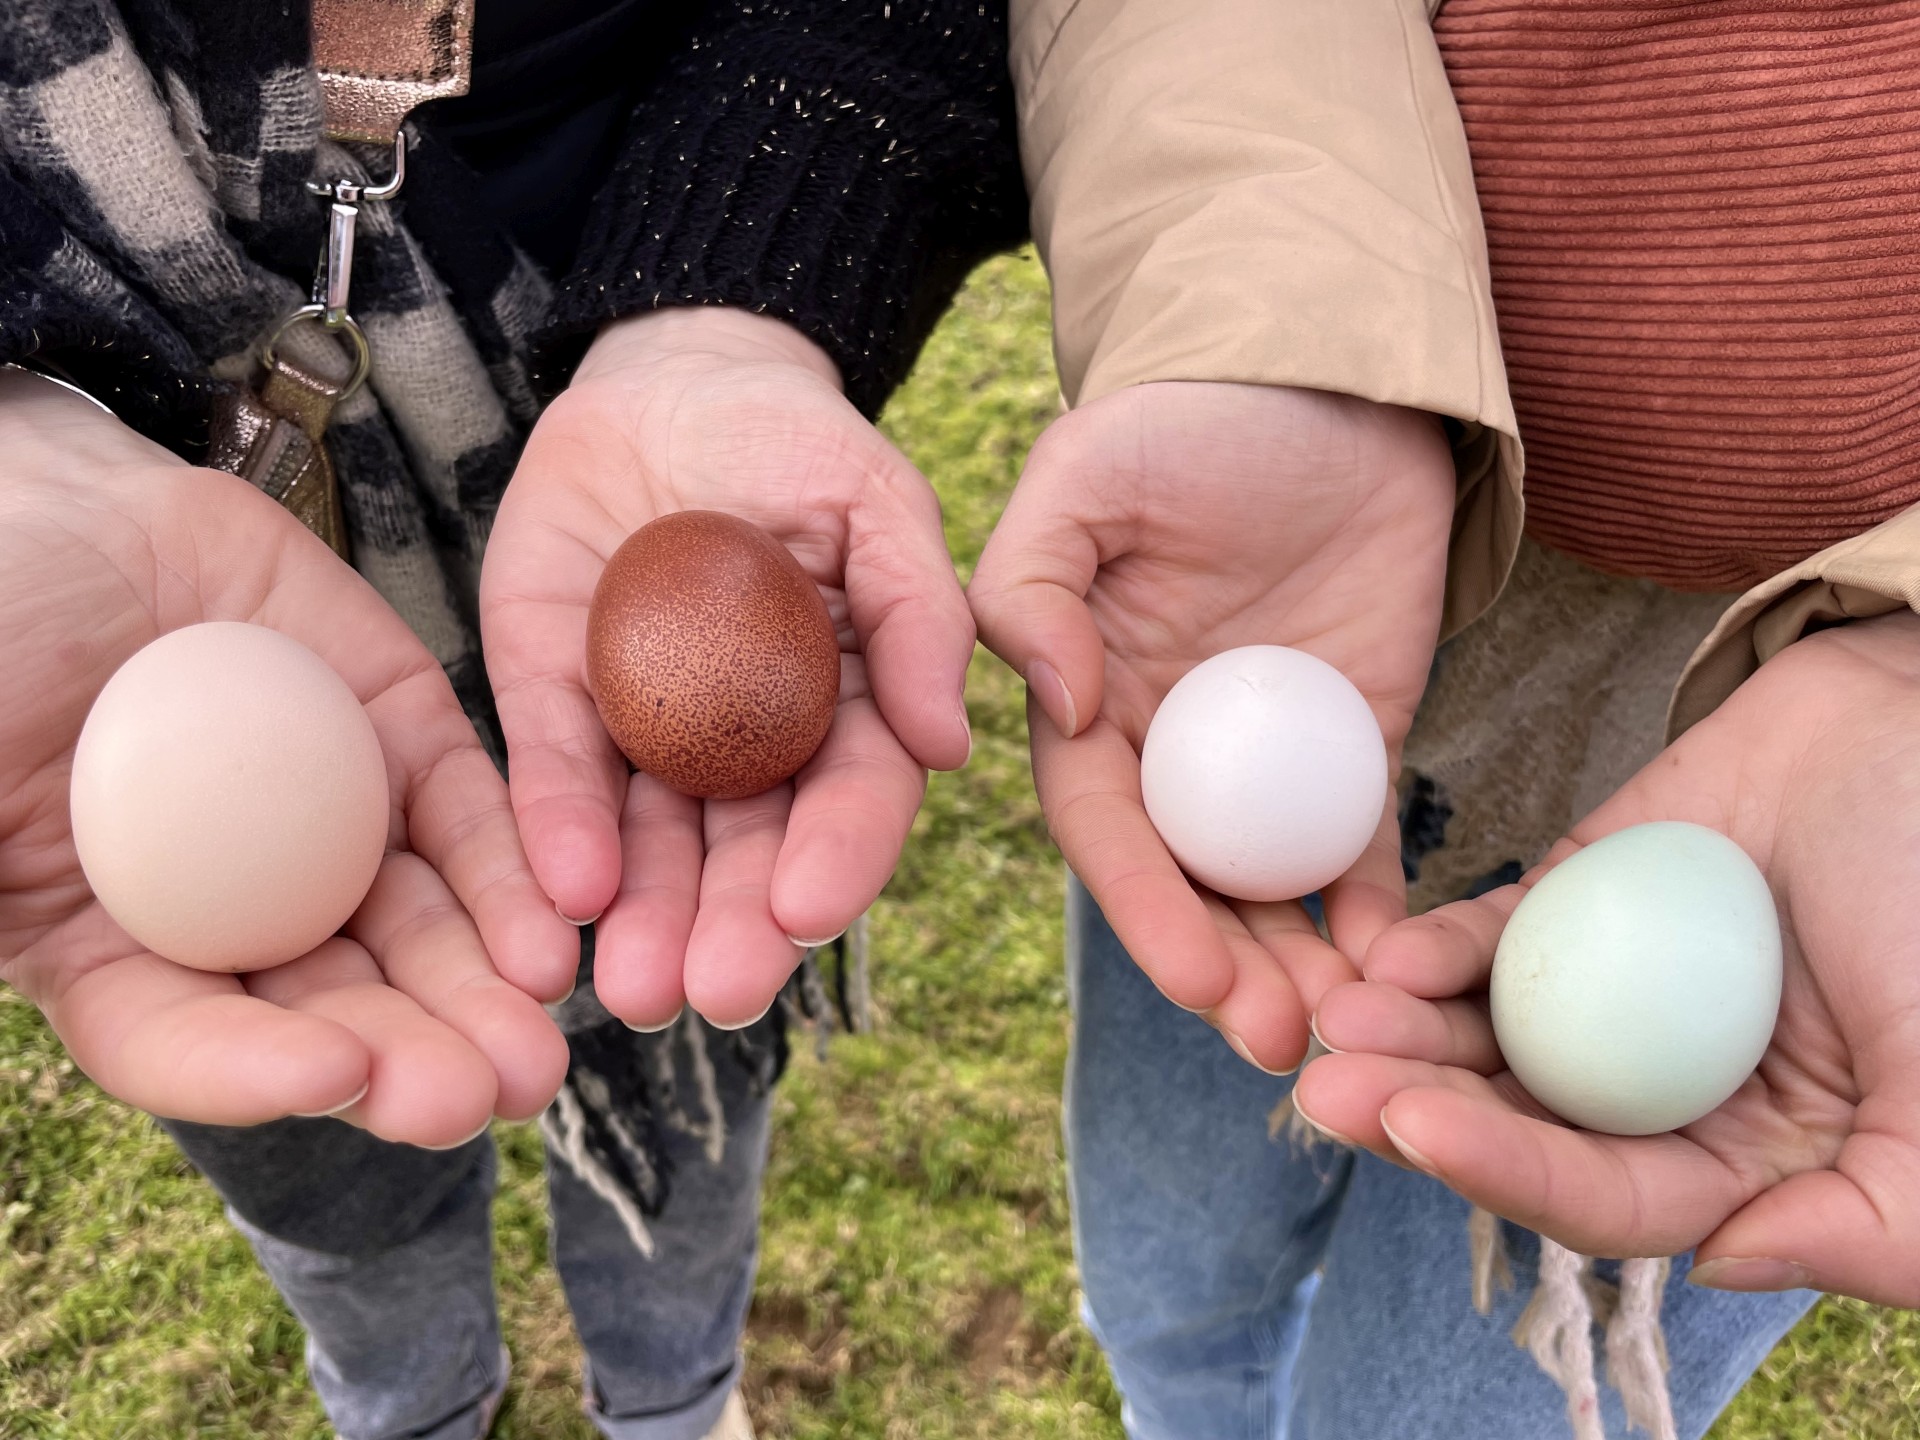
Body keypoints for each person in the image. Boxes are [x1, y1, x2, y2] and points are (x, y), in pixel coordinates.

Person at [0, 2, 1025, 1437]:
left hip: (632, 376)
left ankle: (674, 1395)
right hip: (141, 562)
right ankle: (414, 1401)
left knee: (679, 1056)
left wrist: (739, 299)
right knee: (326, 1135)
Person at [974, 0, 1920, 1435]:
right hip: (1301, 581)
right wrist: (1276, 325)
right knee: (1172, 1285)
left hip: (1825, 717)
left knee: (1443, 1407)